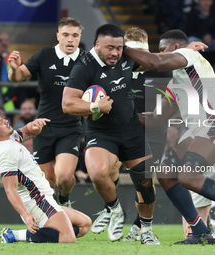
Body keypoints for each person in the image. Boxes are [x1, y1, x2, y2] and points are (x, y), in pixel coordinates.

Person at [124, 29, 215, 244]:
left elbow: (153, 63)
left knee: (187, 176)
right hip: (200, 130)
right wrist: (117, 113)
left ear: (176, 49)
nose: (160, 54)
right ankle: (201, 231)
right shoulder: (174, 83)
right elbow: (155, 120)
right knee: (166, 173)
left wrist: (122, 48)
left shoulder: (191, 56)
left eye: (163, 50)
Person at [62, 24, 159, 244]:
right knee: (97, 173)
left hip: (132, 130)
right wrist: (96, 107)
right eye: (109, 48)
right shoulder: (84, 67)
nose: (115, 53)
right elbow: (67, 104)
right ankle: (115, 209)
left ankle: (146, 231)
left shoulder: (126, 57)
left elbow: (157, 60)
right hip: (102, 133)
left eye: (119, 47)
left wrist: (185, 50)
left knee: (145, 184)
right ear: (97, 45)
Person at [0, 107, 91, 243]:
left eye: (1, 118)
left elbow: (23, 133)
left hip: (44, 197)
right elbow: (10, 190)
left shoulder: (6, 139)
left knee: (84, 224)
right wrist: (26, 215)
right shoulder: (5, 152)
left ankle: (48, 232)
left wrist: (33, 127)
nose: (5, 120)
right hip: (37, 201)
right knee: (68, 238)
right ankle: (15, 235)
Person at [8, 17, 85, 208]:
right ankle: (55, 214)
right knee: (48, 180)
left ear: (79, 37)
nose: (70, 40)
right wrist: (13, 69)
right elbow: (17, 78)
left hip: (71, 127)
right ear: (58, 36)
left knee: (64, 178)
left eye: (75, 36)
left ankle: (65, 200)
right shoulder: (44, 55)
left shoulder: (87, 60)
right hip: (43, 127)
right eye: (66, 35)